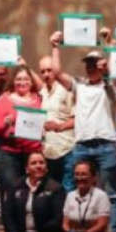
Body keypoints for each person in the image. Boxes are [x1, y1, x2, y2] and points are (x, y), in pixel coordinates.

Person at [50, 32, 116, 232]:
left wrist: (108, 43)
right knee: (72, 190)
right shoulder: (79, 85)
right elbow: (57, 73)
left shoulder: (110, 85)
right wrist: (55, 46)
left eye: (95, 63)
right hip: (82, 146)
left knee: (111, 194)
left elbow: (113, 71)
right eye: (88, 63)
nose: (92, 66)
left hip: (105, 145)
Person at [0, 152, 66, 232]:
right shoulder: (15, 186)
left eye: (41, 162)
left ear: (46, 167)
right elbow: (7, 214)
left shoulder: (56, 188)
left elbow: (57, 218)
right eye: (34, 163)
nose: (38, 166)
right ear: (26, 168)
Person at [0, 63, 44, 196]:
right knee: (12, 195)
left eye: (26, 79)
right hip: (10, 155)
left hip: (33, 155)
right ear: (13, 81)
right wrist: (6, 123)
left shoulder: (38, 99)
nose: (22, 82)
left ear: (31, 81)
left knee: (33, 194)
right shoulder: (5, 99)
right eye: (18, 79)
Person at [62, 159, 116, 232]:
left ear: (93, 178)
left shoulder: (101, 196)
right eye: (77, 174)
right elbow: (65, 224)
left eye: (83, 174)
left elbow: (102, 224)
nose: (79, 178)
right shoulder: (70, 196)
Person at [38, 55, 76, 192]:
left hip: (67, 151)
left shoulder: (67, 90)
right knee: (51, 194)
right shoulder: (42, 91)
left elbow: (77, 119)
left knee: (68, 191)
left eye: (49, 70)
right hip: (48, 152)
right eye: (43, 71)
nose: (46, 74)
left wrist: (59, 126)